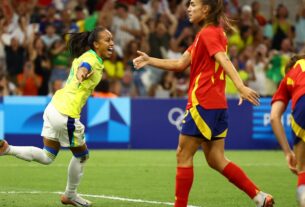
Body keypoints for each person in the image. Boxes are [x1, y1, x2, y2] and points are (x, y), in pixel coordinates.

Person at [133, 0, 274, 207]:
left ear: (205, 9)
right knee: (216, 159)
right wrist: (150, 60)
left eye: (193, 4)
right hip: (217, 105)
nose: (188, 8)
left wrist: (240, 86)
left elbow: (224, 59)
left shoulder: (208, 34)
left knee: (183, 154)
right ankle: (259, 196)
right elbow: (180, 64)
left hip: (203, 103)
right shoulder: (208, 34)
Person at [0, 26, 114, 207]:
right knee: (82, 155)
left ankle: (7, 149)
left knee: (47, 156)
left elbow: (83, 67)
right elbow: (84, 69)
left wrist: (82, 74)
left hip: (54, 107)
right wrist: (82, 74)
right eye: (107, 40)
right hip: (66, 113)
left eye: (112, 39)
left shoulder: (89, 57)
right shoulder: (90, 59)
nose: (112, 43)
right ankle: (70, 195)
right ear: (95, 43)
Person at [270, 54, 305, 207]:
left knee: (303, 168)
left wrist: (287, 153)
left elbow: (274, 117)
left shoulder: (290, 75)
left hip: (303, 106)